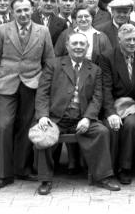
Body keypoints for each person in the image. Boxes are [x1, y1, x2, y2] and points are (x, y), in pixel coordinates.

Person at [0, 0, 56, 189]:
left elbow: (49, 61)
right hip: (5, 85)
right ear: (12, 12)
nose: (23, 14)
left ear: (32, 10)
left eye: (26, 10)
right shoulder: (2, 30)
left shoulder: (43, 31)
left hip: (32, 84)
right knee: (5, 126)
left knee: (26, 128)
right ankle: (5, 174)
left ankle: (22, 169)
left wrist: (46, 86)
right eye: (18, 11)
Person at [33, 32, 120, 195]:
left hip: (82, 117)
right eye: (75, 43)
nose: (78, 46)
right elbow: (42, 93)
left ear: (87, 47)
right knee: (43, 132)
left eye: (82, 44)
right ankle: (45, 180)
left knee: (101, 132)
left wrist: (87, 118)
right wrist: (43, 116)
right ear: (67, 46)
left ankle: (103, 177)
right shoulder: (53, 64)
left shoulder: (95, 69)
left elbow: (97, 97)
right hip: (56, 118)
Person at [99, 24, 135, 184]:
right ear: (119, 40)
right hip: (114, 105)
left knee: (131, 124)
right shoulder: (107, 57)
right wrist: (111, 113)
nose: (132, 43)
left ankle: (125, 168)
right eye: (128, 39)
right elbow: (105, 88)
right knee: (113, 126)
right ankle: (110, 169)